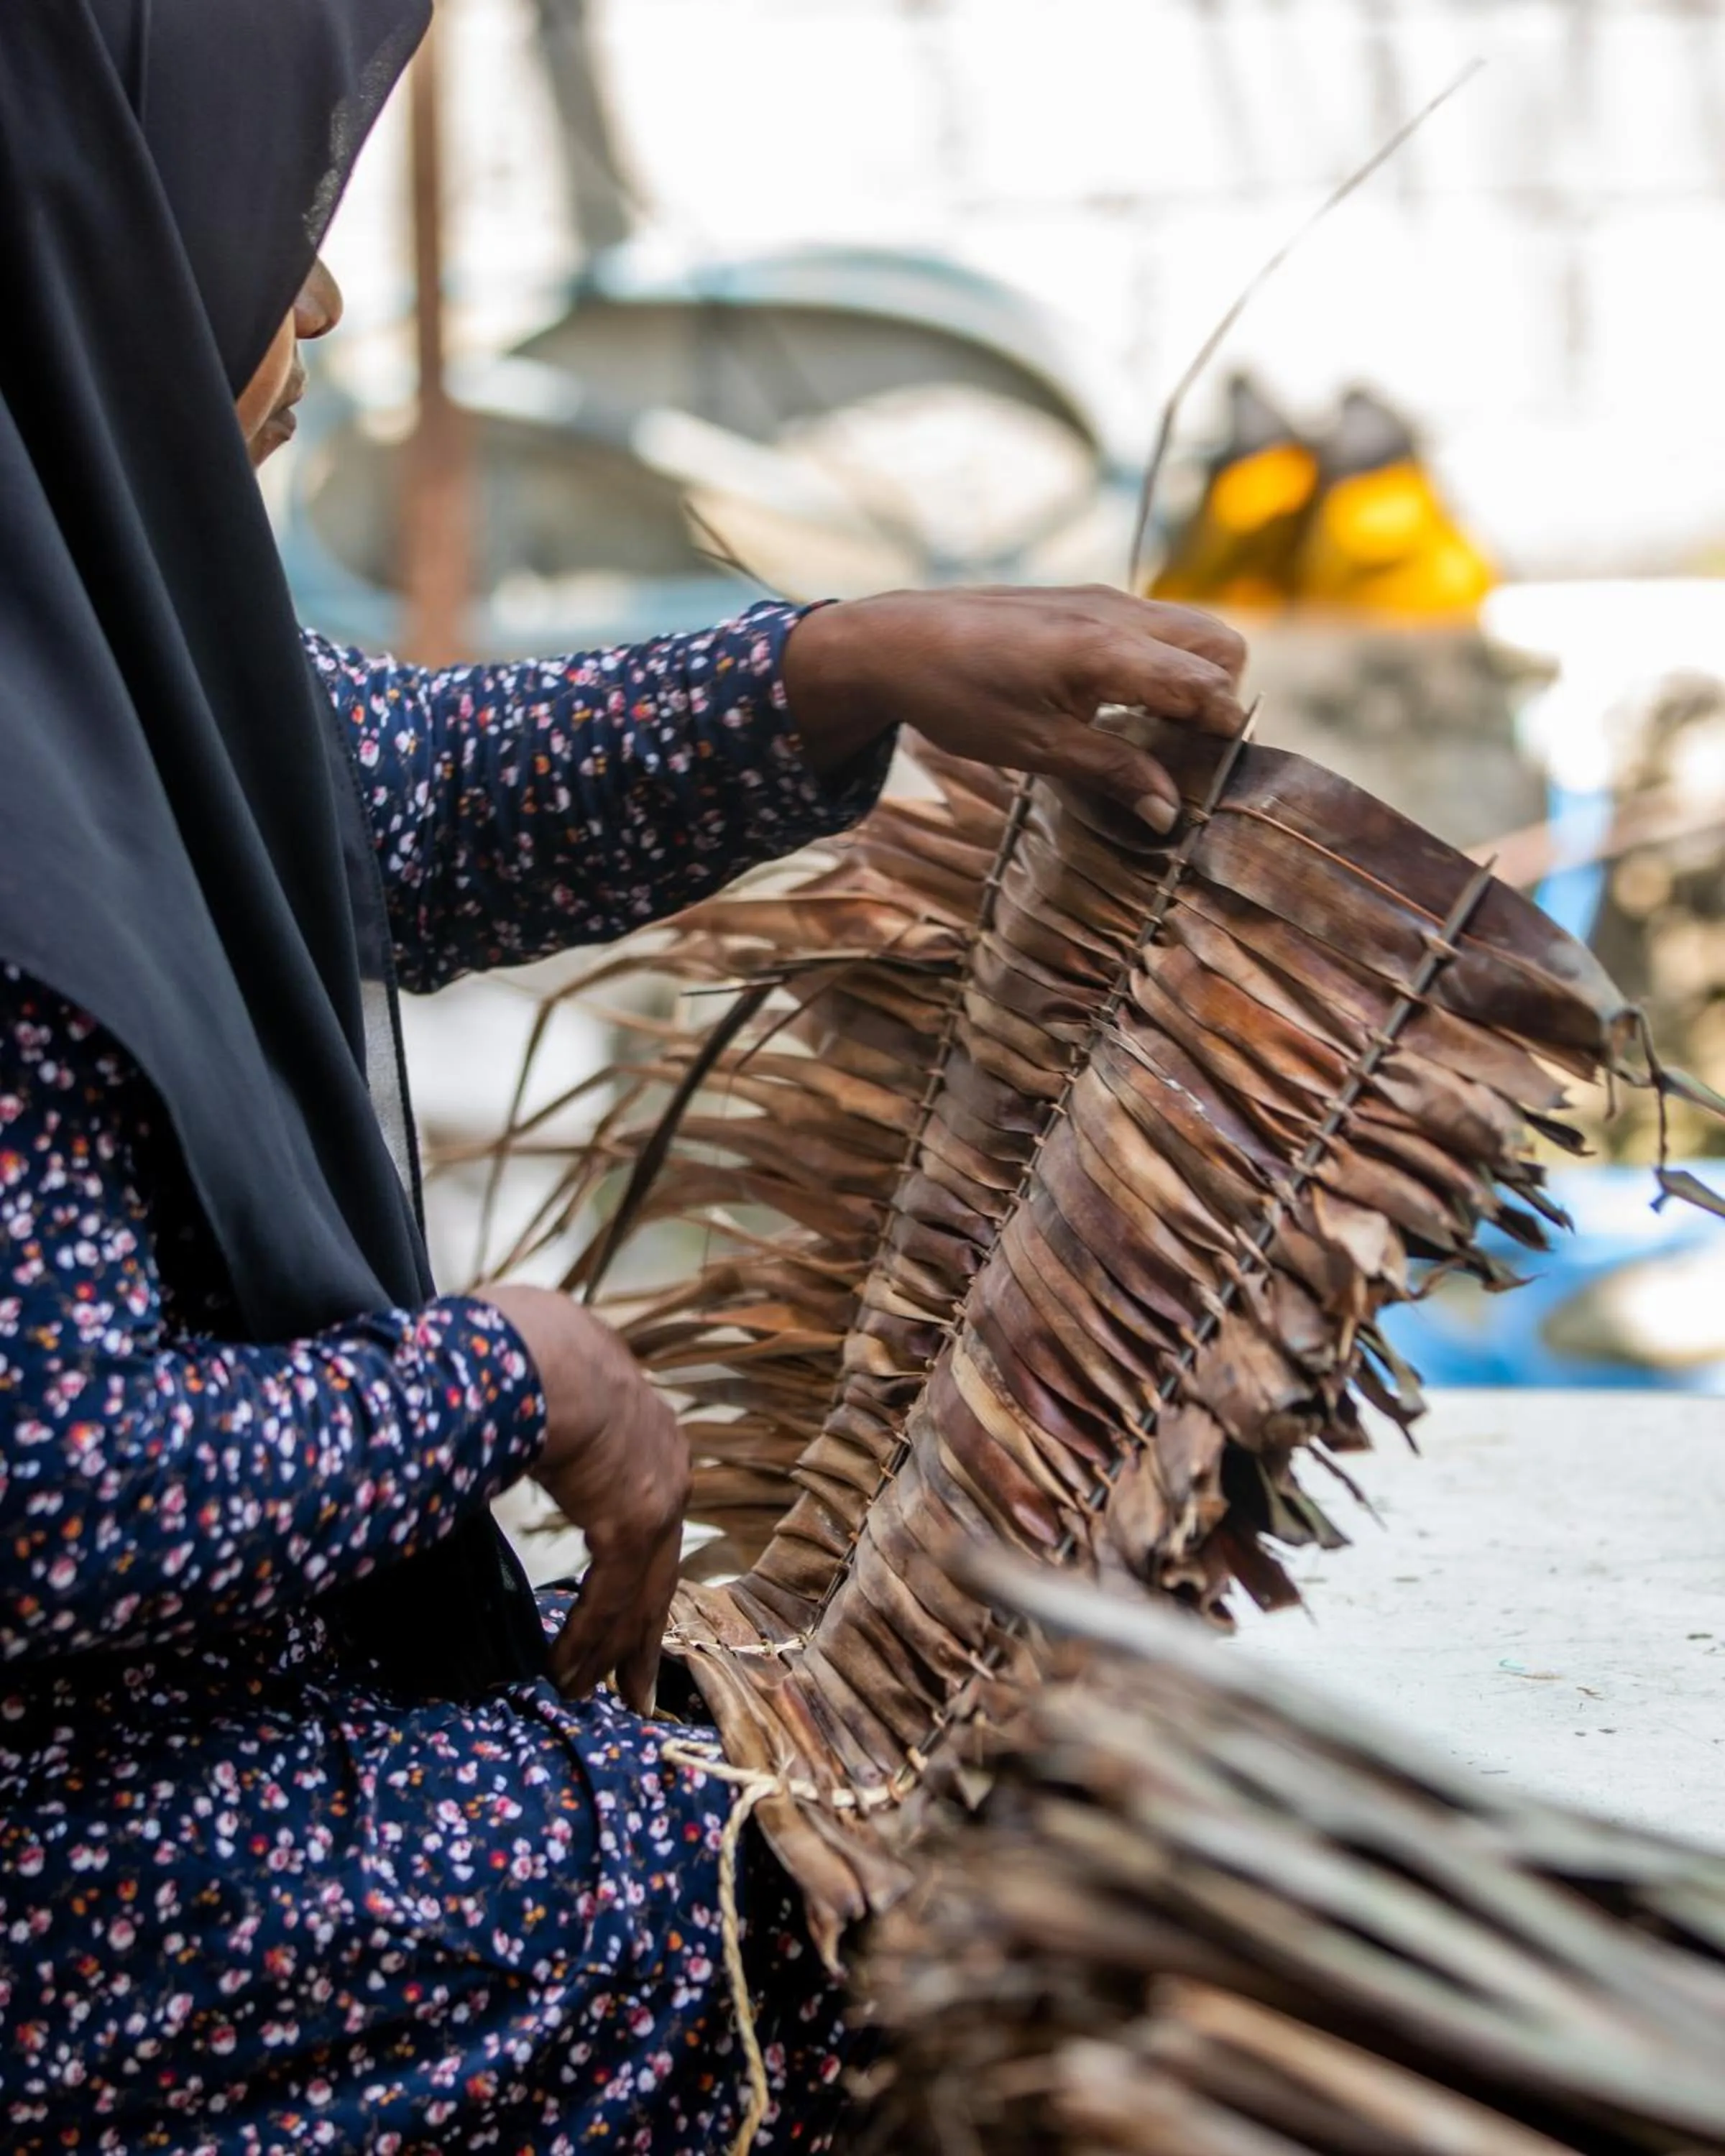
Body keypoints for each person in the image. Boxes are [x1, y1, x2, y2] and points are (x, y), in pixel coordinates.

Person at [0, 4, 1246, 2150]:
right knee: (775, 1918)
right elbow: (53, 1501)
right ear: (68, 239)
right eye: (251, 212)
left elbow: (363, 794)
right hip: (68, 1894)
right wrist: (515, 1379)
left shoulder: (73, 641)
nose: (311, 293)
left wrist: (843, 667)